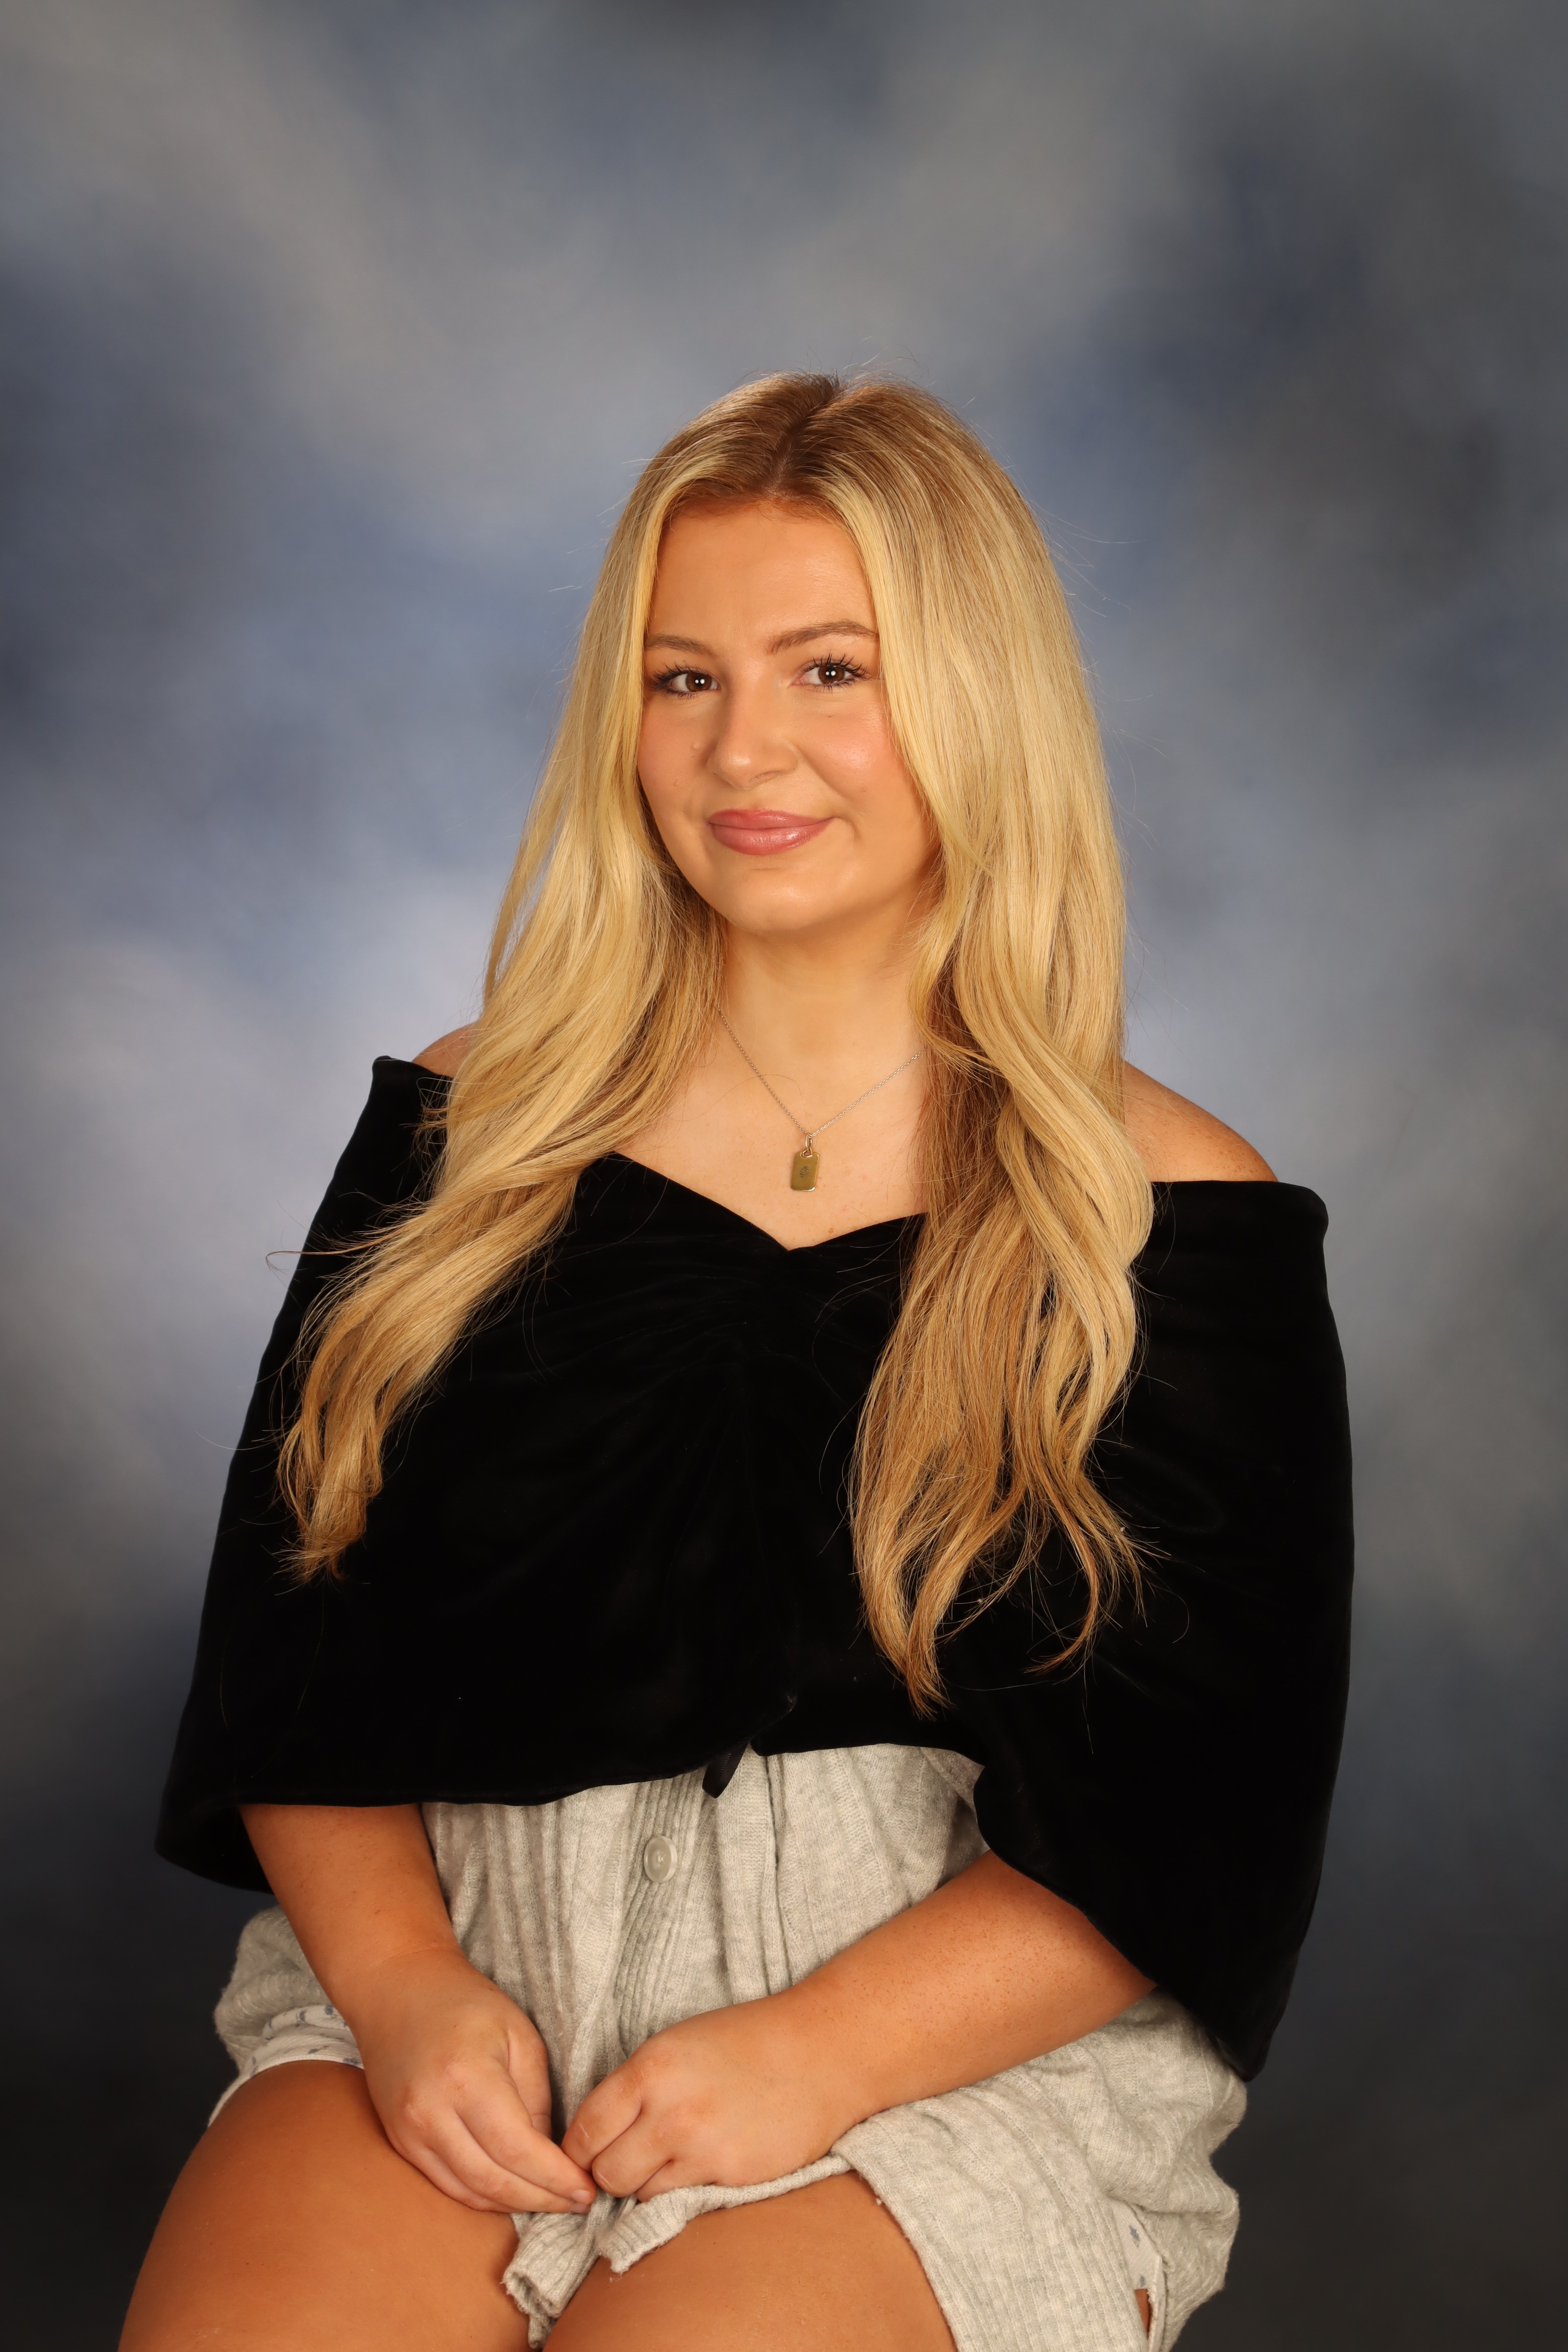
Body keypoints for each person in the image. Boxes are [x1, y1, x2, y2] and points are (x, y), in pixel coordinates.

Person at [123, 374, 1353, 2352]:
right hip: (458, 1975)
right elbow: (290, 1658)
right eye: (680, 679)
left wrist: (812, 2052)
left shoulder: (1163, 1214)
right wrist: (408, 1989)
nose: (741, 749)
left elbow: (1192, 1819)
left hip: (931, 2052)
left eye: (828, 670)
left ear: (973, 696)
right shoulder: (472, 1129)